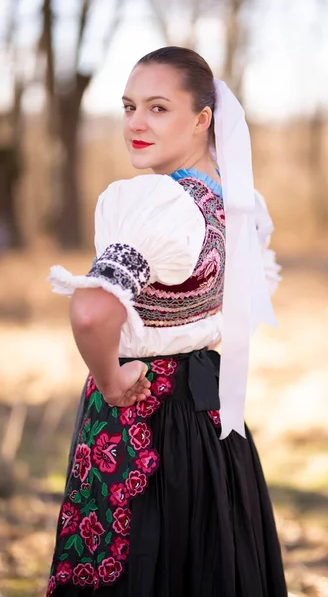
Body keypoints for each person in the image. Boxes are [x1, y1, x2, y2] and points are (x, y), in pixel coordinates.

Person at [46, 46, 287, 597]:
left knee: (141, 567)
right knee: (205, 563)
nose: (135, 122)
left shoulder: (157, 201)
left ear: (203, 118)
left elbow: (91, 310)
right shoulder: (235, 203)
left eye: (158, 108)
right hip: (212, 421)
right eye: (129, 106)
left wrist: (109, 378)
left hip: (142, 417)